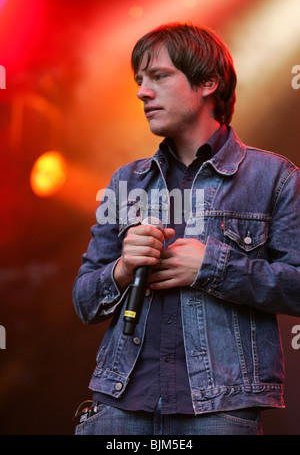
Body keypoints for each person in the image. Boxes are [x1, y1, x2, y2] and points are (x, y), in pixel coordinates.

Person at [73, 23, 300, 435]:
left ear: (208, 82)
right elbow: (84, 300)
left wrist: (211, 267)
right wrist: (122, 270)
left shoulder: (275, 177)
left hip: (220, 411)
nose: (142, 91)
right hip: (119, 407)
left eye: (158, 76)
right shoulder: (126, 181)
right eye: (140, 80)